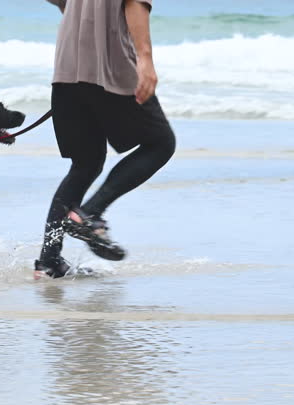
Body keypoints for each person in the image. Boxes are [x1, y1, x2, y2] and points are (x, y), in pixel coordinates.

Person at [35, 0, 176, 279]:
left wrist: (79, 17)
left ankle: (49, 262)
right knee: (161, 144)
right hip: (109, 65)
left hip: (68, 66)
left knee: (86, 162)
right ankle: (88, 214)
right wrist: (145, 58)